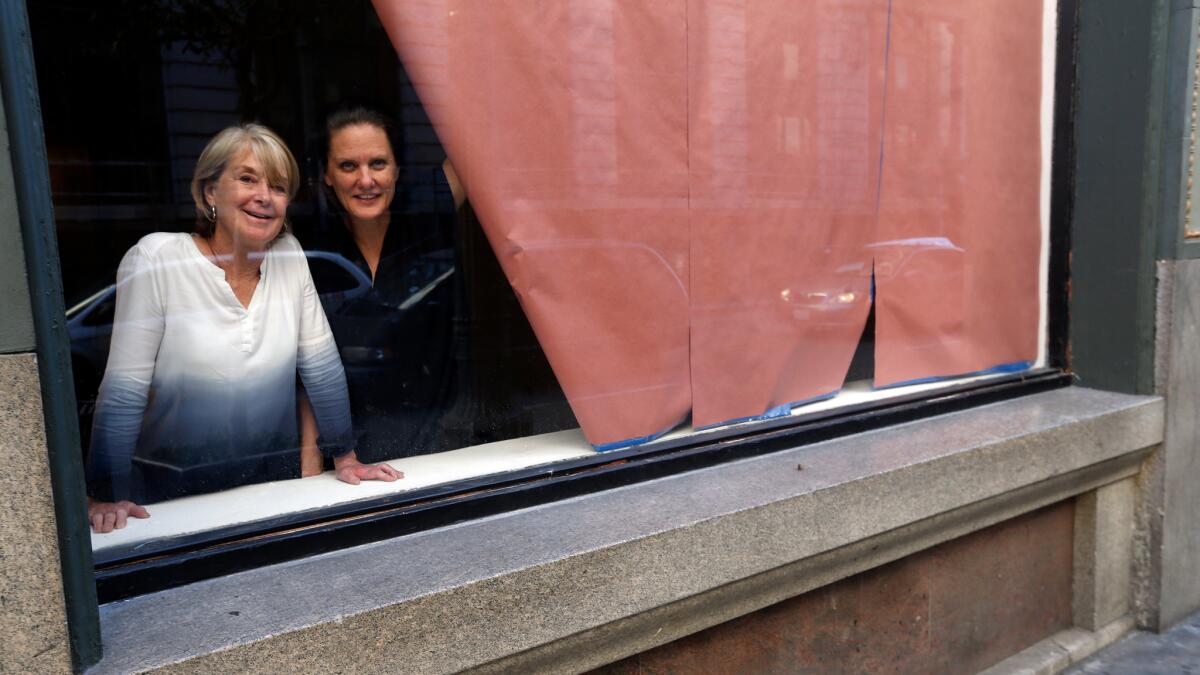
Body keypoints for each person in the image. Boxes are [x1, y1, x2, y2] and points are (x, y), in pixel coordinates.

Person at [87, 123, 400, 534]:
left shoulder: (288, 256)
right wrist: (106, 493)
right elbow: (124, 390)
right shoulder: (158, 257)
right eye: (247, 179)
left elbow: (322, 370)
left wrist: (345, 457)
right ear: (210, 192)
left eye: (279, 186)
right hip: (168, 494)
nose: (264, 197)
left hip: (268, 485)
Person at [298, 106, 463, 471]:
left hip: (440, 451)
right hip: (343, 463)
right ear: (326, 173)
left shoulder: (428, 220)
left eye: (378, 163)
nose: (366, 180)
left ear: (397, 170)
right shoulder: (308, 254)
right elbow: (304, 374)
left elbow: (479, 136)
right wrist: (309, 473)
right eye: (347, 166)